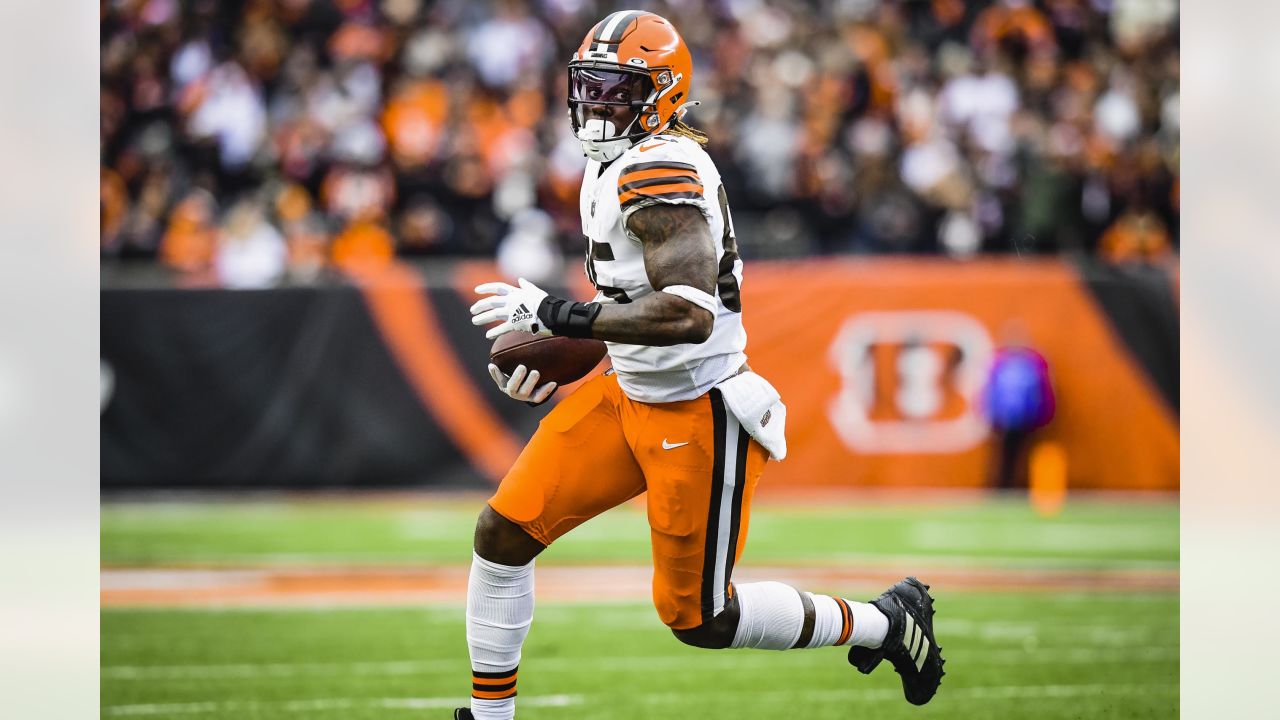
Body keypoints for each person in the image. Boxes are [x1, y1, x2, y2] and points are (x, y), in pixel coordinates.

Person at [459, 12, 945, 719]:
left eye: (616, 89)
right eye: (588, 87)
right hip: (628, 394)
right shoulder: (613, 163)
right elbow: (631, 299)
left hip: (697, 408)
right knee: (503, 534)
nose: (596, 104)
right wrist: (559, 358)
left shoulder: (659, 167)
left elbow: (687, 313)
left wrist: (556, 318)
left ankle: (885, 622)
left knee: (699, 619)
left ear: (663, 93)